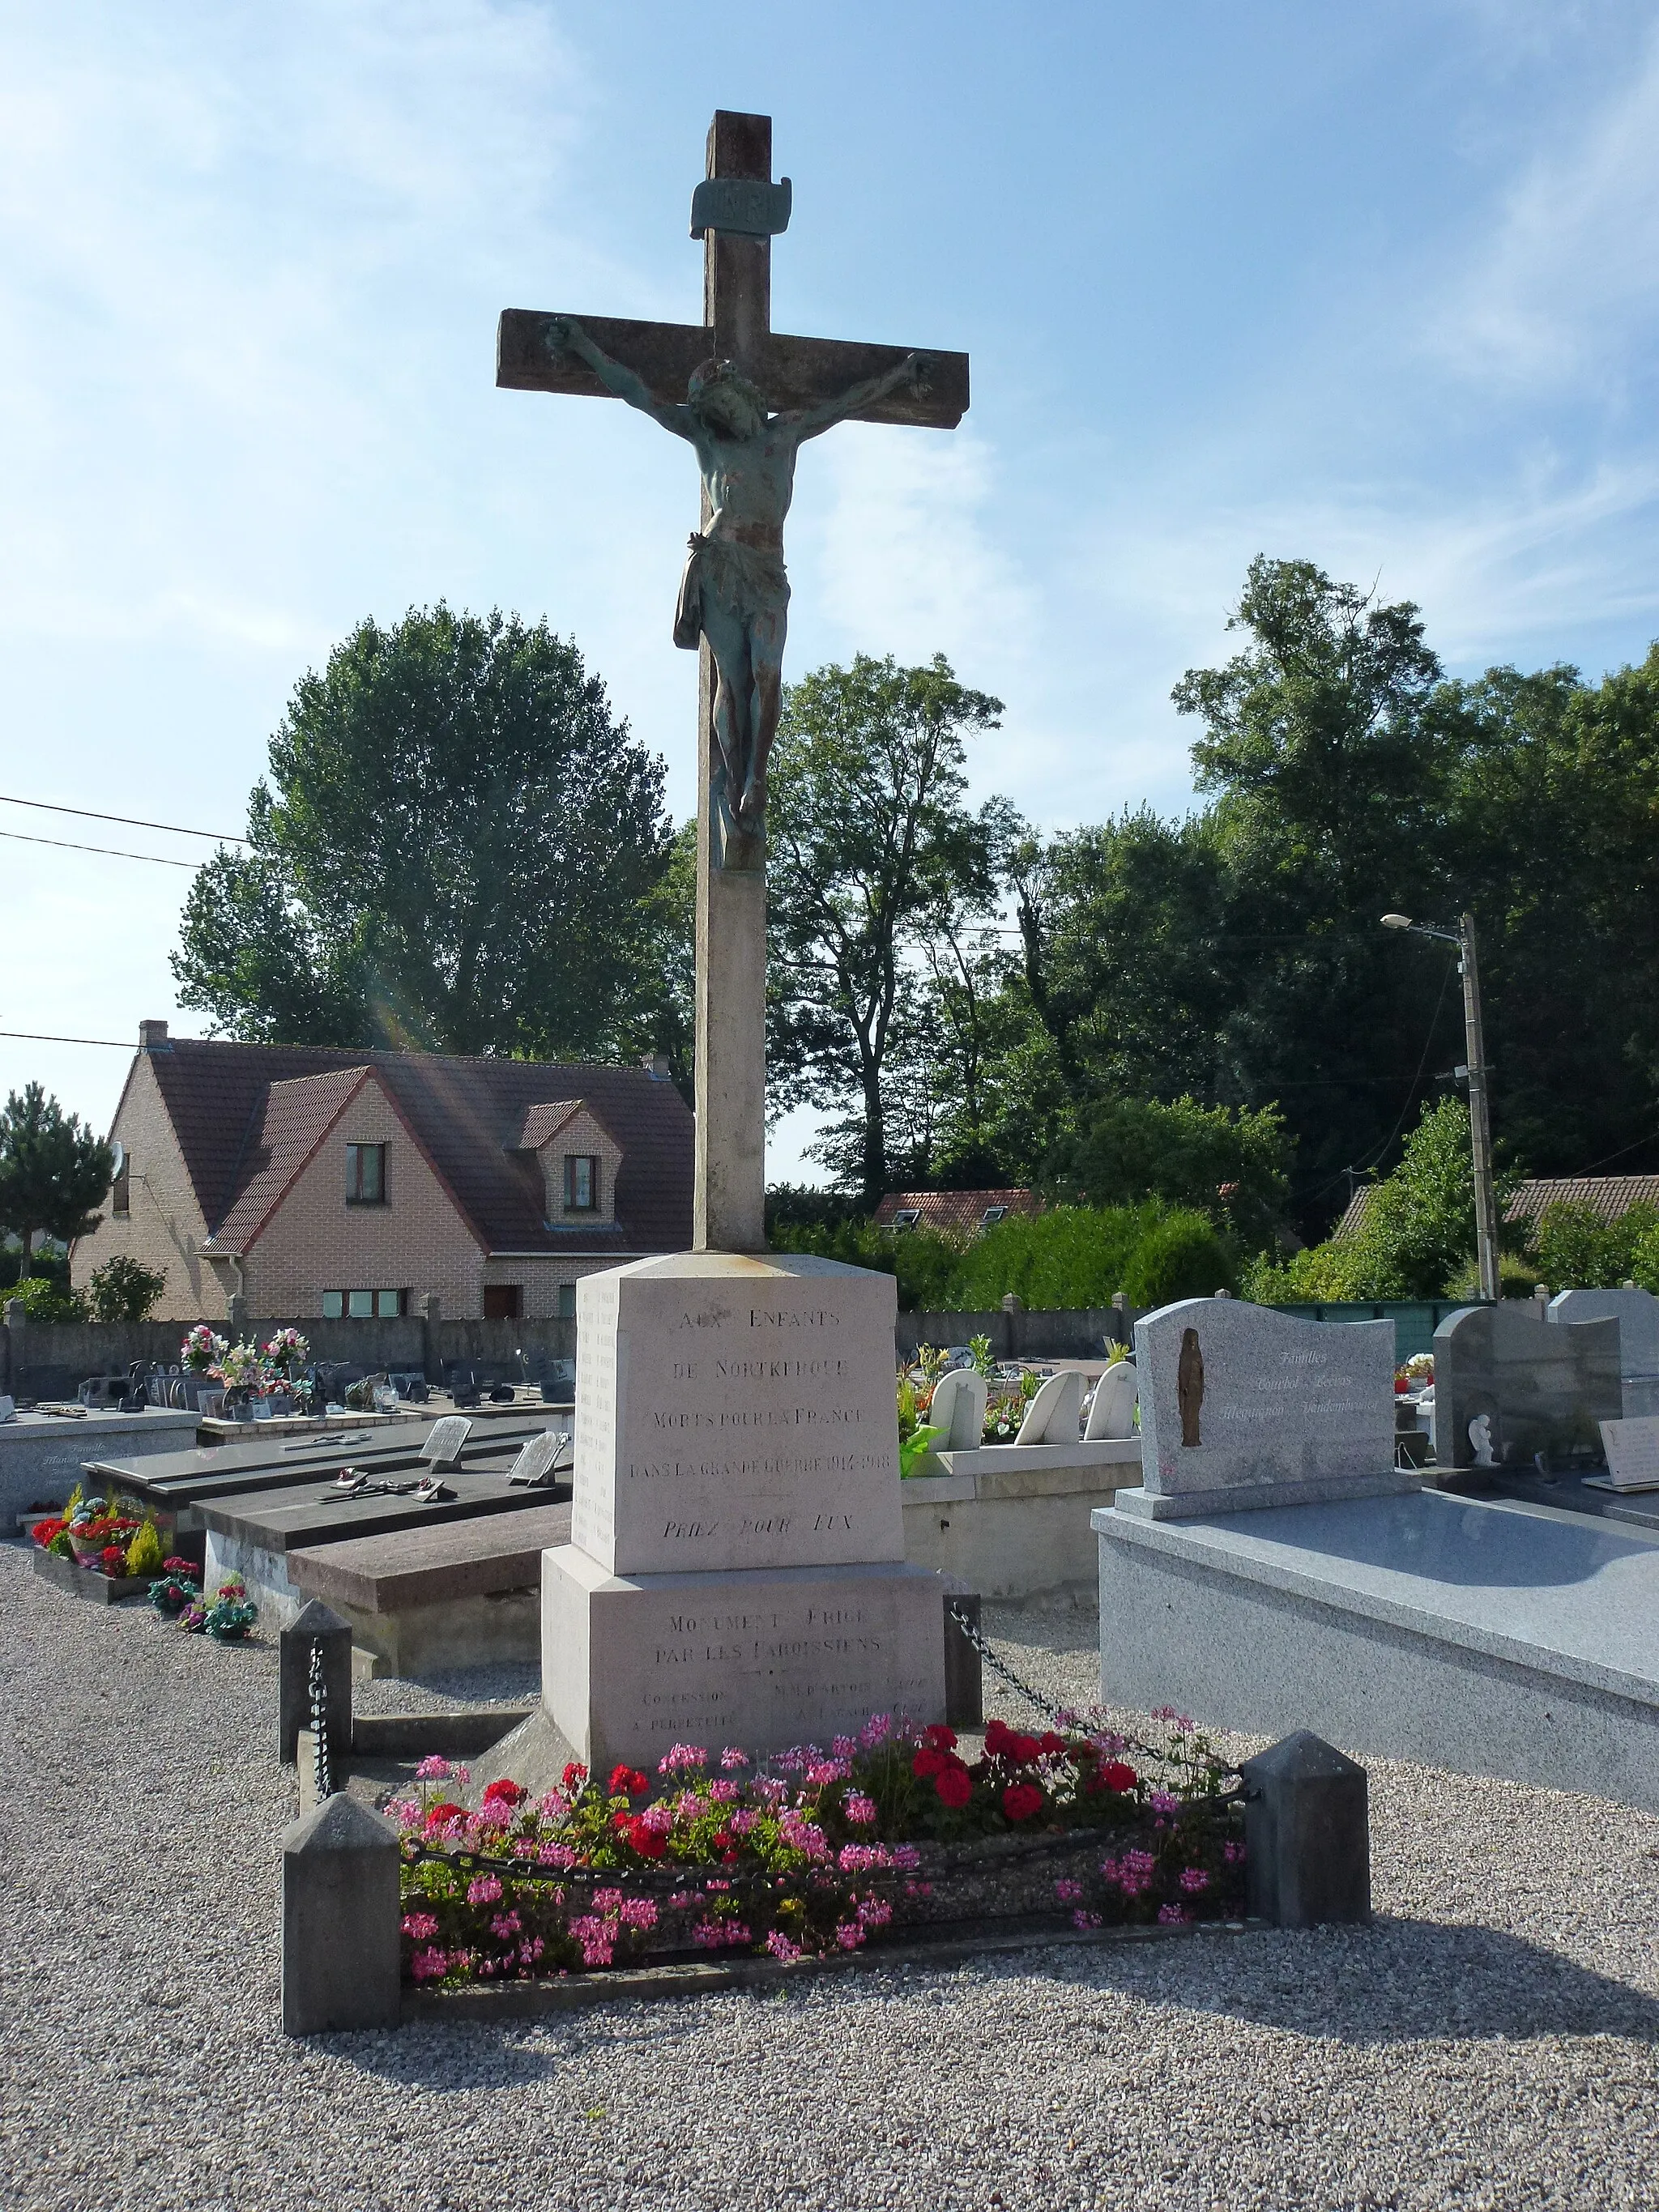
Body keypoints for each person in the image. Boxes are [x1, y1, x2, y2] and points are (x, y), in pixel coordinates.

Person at [547, 318, 931, 842]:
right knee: (733, 679)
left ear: (746, 398)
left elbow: (847, 401)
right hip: (721, 569)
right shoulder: (707, 440)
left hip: (769, 574)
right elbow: (637, 392)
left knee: (768, 674)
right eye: (711, 415)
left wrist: (901, 376)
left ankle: (757, 774)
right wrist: (584, 348)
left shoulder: (787, 431)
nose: (719, 421)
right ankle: (734, 785)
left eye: (724, 409)